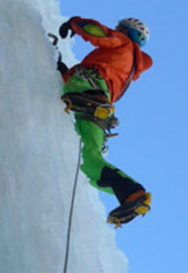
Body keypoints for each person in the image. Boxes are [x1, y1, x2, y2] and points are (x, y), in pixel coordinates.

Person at [56, 16, 153, 225]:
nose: (116, 29)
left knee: (78, 85)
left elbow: (99, 33)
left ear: (127, 31)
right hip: (99, 104)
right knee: (89, 161)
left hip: (88, 85)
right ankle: (132, 193)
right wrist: (64, 74)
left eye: (120, 27)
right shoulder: (129, 69)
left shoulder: (124, 43)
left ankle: (87, 100)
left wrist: (74, 24)